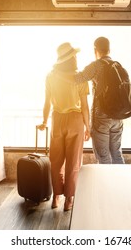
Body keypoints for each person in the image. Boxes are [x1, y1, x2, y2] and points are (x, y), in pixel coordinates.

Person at [37, 42, 90, 212]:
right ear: (72, 58)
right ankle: (69, 199)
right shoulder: (80, 77)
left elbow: (46, 103)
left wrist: (44, 122)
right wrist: (88, 127)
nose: (76, 57)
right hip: (75, 121)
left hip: (57, 119)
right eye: (74, 55)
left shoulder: (50, 76)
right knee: (73, 162)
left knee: (56, 160)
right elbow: (84, 106)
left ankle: (56, 197)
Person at [74, 36, 125, 164]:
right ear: (109, 49)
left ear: (95, 50)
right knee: (117, 154)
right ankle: (122, 182)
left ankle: (108, 184)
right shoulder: (117, 65)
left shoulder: (96, 66)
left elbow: (77, 79)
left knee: (103, 157)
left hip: (102, 116)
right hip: (118, 116)